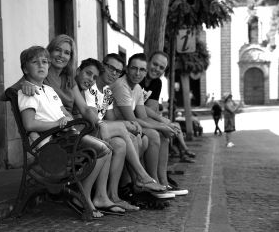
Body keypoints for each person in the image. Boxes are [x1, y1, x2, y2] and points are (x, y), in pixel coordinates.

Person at [9, 35, 126, 216]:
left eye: (67, 53)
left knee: (108, 146)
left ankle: (95, 196)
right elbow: (29, 121)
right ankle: (84, 199)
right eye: (58, 50)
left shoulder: (52, 87)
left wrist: (73, 118)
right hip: (55, 141)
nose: (42, 65)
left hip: (65, 134)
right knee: (104, 148)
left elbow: (65, 112)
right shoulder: (29, 89)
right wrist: (25, 85)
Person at [75, 56, 166, 210]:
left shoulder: (107, 92)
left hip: (100, 131)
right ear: (103, 67)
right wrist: (124, 124)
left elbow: (109, 119)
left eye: (118, 71)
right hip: (87, 131)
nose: (114, 74)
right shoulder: (90, 87)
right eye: (111, 68)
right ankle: (141, 177)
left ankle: (111, 195)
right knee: (124, 131)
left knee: (121, 142)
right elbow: (92, 119)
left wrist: (126, 124)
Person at [111, 53, 188, 197]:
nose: (138, 73)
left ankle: (158, 180)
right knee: (152, 134)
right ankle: (148, 182)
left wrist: (165, 125)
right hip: (118, 125)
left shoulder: (138, 88)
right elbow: (133, 118)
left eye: (142, 70)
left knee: (160, 135)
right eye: (134, 68)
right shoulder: (122, 86)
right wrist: (162, 125)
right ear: (127, 69)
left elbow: (144, 115)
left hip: (129, 125)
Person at [139, 51, 195, 163]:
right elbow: (138, 107)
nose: (157, 69)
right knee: (158, 134)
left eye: (161, 67)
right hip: (134, 118)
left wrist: (163, 123)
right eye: (155, 64)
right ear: (148, 62)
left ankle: (162, 179)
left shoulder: (157, 82)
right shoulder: (138, 77)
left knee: (166, 135)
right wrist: (161, 122)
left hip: (143, 117)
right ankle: (154, 177)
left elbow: (150, 108)